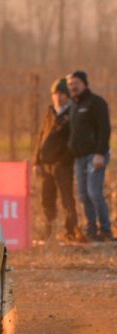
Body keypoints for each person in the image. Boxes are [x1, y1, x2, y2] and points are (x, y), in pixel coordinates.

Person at [66, 70, 113, 241]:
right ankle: (92, 231)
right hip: (79, 157)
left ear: (84, 83)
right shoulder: (73, 104)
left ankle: (106, 230)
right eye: (70, 84)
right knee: (83, 194)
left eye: (76, 83)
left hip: (94, 155)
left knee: (94, 193)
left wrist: (100, 153)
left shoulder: (96, 102)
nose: (73, 87)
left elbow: (104, 129)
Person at [32, 78, 79, 243]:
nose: (58, 97)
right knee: (47, 198)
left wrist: (64, 159)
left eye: (61, 94)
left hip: (63, 165)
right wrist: (36, 161)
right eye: (55, 94)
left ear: (67, 95)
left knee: (67, 198)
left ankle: (71, 231)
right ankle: (48, 231)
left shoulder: (73, 113)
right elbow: (41, 137)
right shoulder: (50, 112)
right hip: (45, 164)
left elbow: (74, 140)